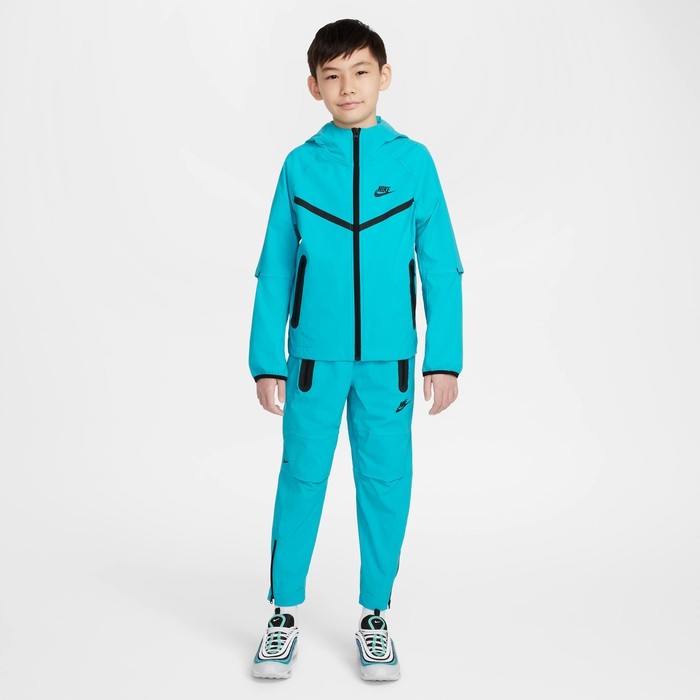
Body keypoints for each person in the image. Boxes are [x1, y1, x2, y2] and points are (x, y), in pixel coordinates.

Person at [248, 18, 463, 681]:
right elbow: (275, 268)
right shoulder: (300, 165)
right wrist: (266, 360)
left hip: (390, 364)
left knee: (386, 483)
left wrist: (443, 357)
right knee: (302, 479)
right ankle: (283, 613)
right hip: (313, 361)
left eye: (360, 71)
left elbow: (441, 265)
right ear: (314, 87)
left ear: (384, 76)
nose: (348, 87)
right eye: (332, 75)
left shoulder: (414, 163)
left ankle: (376, 615)